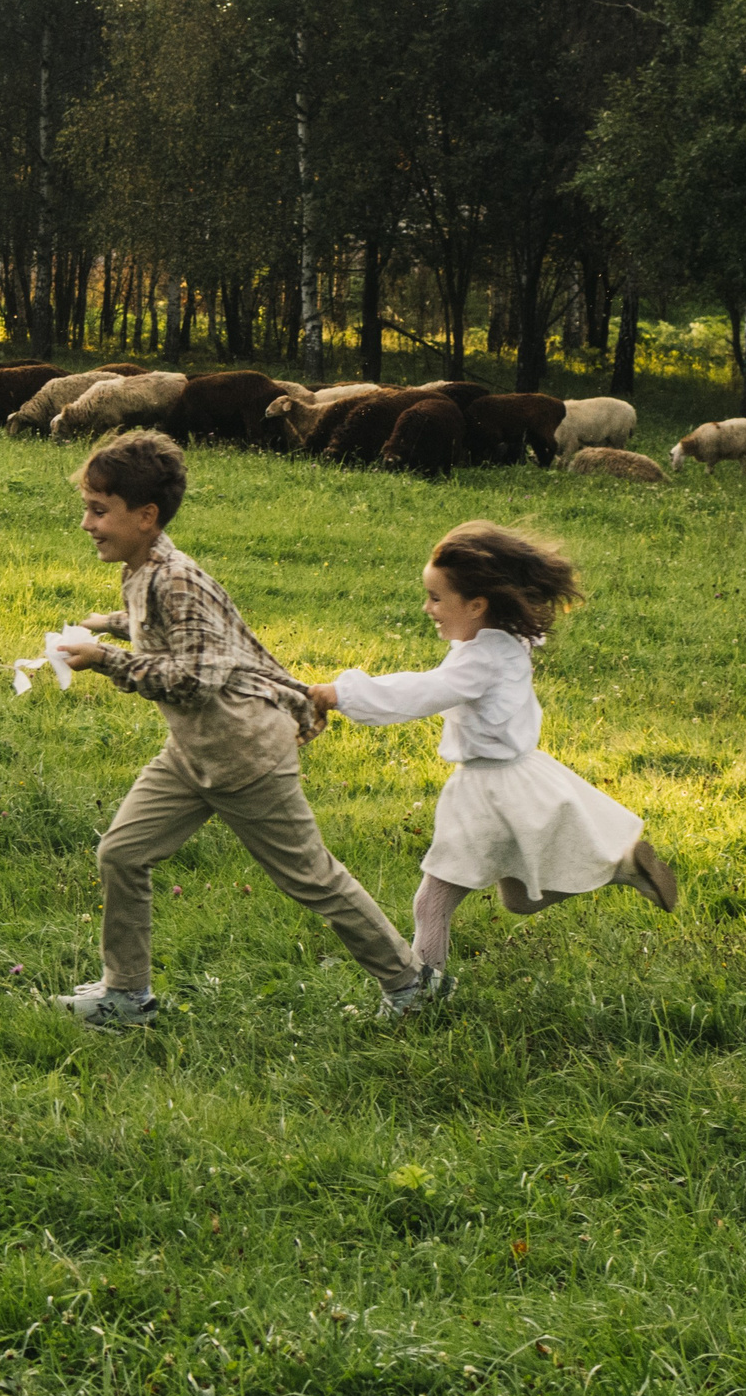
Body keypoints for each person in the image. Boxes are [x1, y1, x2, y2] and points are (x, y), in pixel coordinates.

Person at [53, 431, 436, 1027]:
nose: (87, 524)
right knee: (122, 853)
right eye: (87, 508)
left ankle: (412, 983)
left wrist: (106, 659)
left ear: (146, 516)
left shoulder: (177, 578)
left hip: (245, 752)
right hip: (194, 752)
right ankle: (127, 994)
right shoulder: (143, 569)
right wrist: (109, 623)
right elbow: (177, 631)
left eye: (99, 511)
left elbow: (195, 679)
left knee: (312, 878)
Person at [307, 520, 678, 976]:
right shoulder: (504, 640)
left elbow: (421, 691)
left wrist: (342, 694)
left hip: (488, 791)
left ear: (477, 605)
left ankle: (421, 992)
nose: (427, 608)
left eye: (436, 598)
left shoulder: (480, 660)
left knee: (432, 902)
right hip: (522, 778)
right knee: (519, 899)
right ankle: (621, 866)